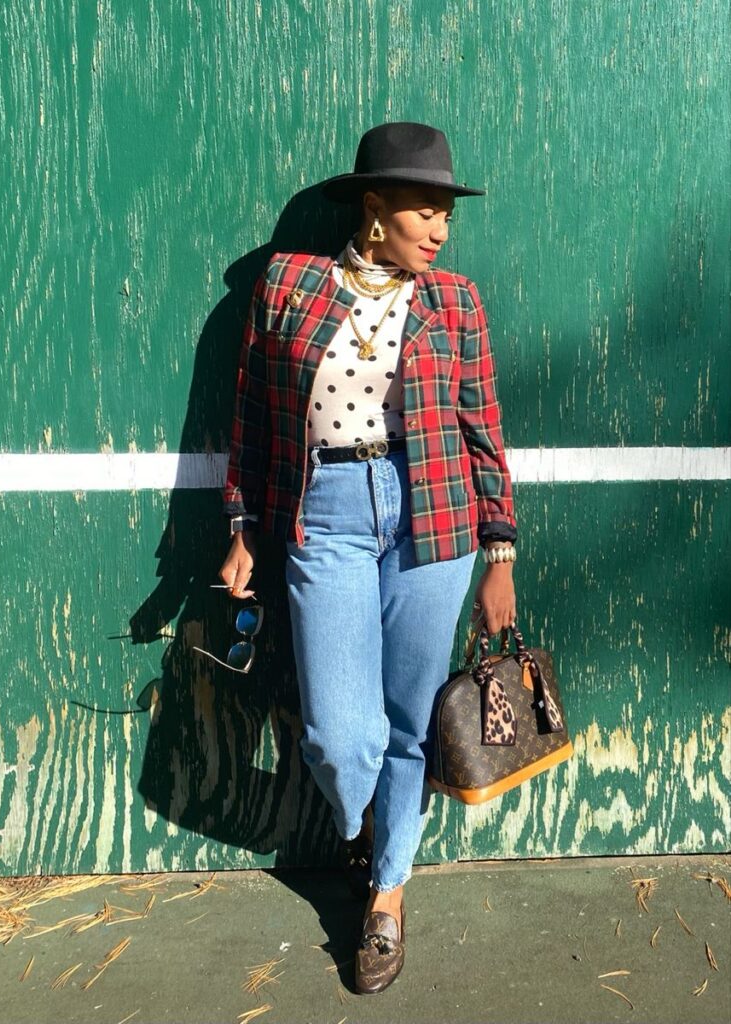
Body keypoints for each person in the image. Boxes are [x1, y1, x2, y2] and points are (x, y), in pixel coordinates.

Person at [219, 121, 517, 994]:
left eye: (447, 215)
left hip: (435, 513)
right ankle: (359, 823)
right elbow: (254, 417)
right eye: (426, 210)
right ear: (374, 209)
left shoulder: (454, 301)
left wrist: (497, 549)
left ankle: (387, 895)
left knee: (410, 720)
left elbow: (481, 429)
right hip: (330, 515)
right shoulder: (288, 285)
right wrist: (241, 525)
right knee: (341, 735)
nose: (440, 228)